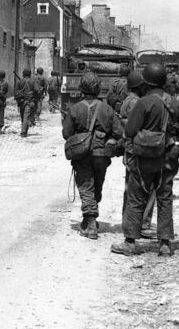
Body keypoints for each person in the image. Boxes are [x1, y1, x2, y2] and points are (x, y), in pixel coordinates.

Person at [112, 63, 179, 257]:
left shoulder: (144, 102)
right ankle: (164, 243)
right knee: (165, 198)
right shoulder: (173, 102)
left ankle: (130, 242)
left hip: (144, 159)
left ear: (145, 81)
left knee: (136, 196)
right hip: (167, 158)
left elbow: (130, 131)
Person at [62, 73, 123, 239]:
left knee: (85, 185)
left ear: (82, 88)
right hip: (102, 154)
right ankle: (90, 217)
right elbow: (118, 132)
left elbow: (66, 134)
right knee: (97, 186)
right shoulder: (108, 109)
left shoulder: (75, 108)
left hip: (82, 155)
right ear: (98, 88)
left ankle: (90, 224)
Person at [119, 70, 156, 239]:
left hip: (130, 149)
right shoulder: (136, 103)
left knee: (131, 188)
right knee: (146, 188)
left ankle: (129, 222)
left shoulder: (129, 100)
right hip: (137, 148)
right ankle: (142, 223)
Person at [15, 68, 39, 137]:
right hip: (29, 101)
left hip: (21, 101)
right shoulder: (32, 81)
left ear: (23, 74)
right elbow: (37, 90)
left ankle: (24, 130)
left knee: (23, 116)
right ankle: (23, 131)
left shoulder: (20, 81)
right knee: (26, 116)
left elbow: (16, 91)